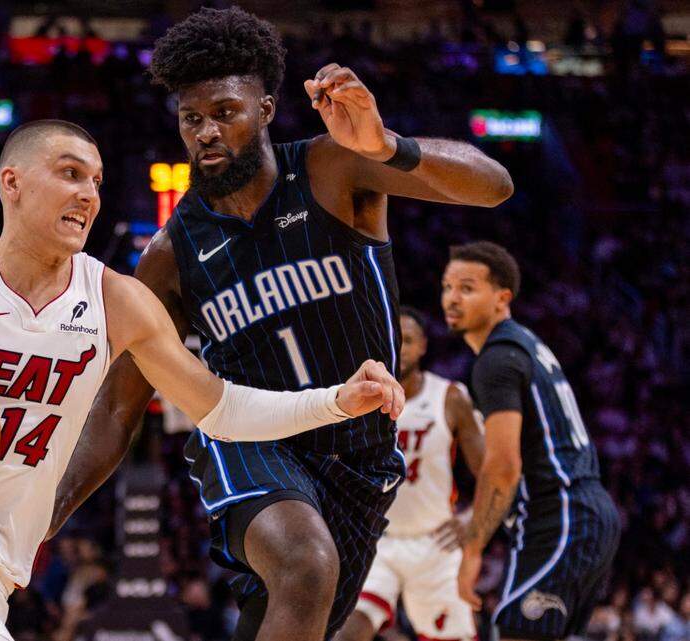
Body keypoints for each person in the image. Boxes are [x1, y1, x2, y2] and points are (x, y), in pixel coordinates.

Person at [0, 119, 404, 641]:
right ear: (11, 183)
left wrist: (334, 401)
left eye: (96, 181)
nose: (87, 195)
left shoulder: (117, 301)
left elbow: (221, 410)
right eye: (70, 174)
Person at [49, 7, 513, 641]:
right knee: (304, 565)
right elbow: (116, 411)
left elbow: (495, 186)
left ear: (265, 109)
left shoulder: (333, 168)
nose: (207, 132)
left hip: (361, 457)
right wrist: (41, 517)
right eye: (193, 119)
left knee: (292, 616)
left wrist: (386, 147)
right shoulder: (169, 255)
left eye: (225, 112)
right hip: (252, 442)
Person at [441, 241, 621, 641]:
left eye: (467, 288)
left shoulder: (496, 358)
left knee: (516, 632)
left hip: (561, 513)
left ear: (502, 297)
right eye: (447, 287)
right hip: (582, 510)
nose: (452, 299)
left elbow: (504, 466)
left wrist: (473, 551)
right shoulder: (526, 344)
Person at [336, 307, 484, 641]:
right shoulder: (357, 399)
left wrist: (474, 517)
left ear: (423, 347)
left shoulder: (449, 397)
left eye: (409, 340)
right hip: (377, 539)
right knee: (349, 629)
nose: (400, 347)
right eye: (394, 339)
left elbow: (490, 470)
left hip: (435, 542)